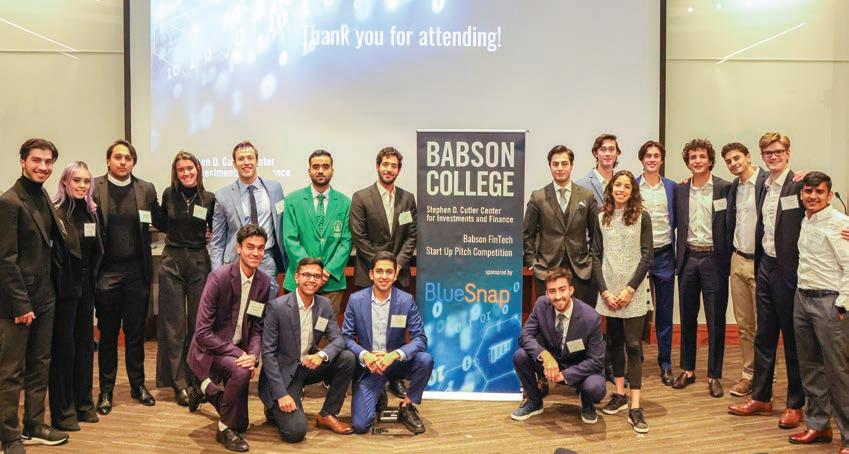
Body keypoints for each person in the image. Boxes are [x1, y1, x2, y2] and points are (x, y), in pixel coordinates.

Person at [729, 132, 806, 428]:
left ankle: (795, 404)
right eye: (768, 153)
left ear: (788, 153)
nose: (773, 157)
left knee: (792, 340)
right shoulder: (764, 184)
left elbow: (821, 205)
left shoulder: (799, 184)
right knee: (764, 336)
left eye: (778, 152)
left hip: (788, 271)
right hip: (765, 267)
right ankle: (761, 397)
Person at [0, 138, 70, 453]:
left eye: (48, 162)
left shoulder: (42, 196)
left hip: (45, 297)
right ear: (23, 162)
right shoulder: (9, 202)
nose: (43, 167)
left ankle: (34, 423)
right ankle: (9, 436)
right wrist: (21, 304)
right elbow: (6, 259)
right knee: (11, 372)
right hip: (18, 304)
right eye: (36, 160)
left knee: (40, 364)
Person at [92, 139, 164, 414]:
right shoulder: (94, 188)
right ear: (108, 160)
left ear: (133, 162)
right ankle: (106, 391)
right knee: (108, 335)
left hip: (137, 273)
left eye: (128, 158)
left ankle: (138, 385)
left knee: (135, 334)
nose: (123, 162)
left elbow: (160, 221)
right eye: (118, 157)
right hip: (106, 273)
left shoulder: (146, 189)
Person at [187, 224, 271, 452]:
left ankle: (205, 389)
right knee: (241, 374)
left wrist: (253, 356)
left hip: (238, 351)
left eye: (260, 248)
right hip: (208, 349)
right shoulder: (219, 277)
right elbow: (202, 332)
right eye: (250, 247)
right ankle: (223, 427)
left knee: (241, 424)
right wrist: (241, 354)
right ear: (238, 248)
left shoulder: (263, 282)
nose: (256, 253)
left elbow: (257, 328)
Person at [258, 257, 356, 443]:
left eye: (316, 276)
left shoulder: (324, 305)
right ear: (297, 277)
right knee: (295, 432)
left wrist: (322, 355)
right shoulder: (277, 307)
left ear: (321, 280)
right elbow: (268, 355)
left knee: (347, 358)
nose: (311, 280)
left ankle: (327, 414)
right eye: (306, 275)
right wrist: (281, 394)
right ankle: (273, 407)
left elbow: (338, 339)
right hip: (284, 374)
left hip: (308, 365)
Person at [349, 146, 417, 399]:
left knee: (396, 330)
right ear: (378, 166)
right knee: (368, 328)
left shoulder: (407, 199)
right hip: (371, 273)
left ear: (398, 170)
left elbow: (411, 236)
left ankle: (395, 377)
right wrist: (382, 266)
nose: (389, 169)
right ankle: (365, 373)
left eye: (394, 166)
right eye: (385, 164)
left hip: (399, 274)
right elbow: (359, 236)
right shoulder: (361, 197)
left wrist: (397, 265)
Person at [788, 172, 849, 452]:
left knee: (837, 372)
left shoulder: (841, 224)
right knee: (810, 367)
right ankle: (819, 425)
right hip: (803, 298)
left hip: (829, 302)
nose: (813, 197)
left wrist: (843, 304)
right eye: (808, 191)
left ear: (829, 195)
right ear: (802, 194)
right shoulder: (806, 219)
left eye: (819, 192)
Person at [343, 251, 432, 434]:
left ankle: (407, 406)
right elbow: (346, 337)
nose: (384, 276)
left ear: (395, 275)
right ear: (371, 274)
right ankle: (378, 393)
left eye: (389, 272)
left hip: (396, 363)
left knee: (425, 360)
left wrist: (394, 355)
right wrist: (365, 355)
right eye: (379, 271)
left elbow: (420, 339)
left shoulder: (406, 301)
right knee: (361, 425)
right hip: (370, 367)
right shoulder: (356, 300)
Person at [592, 170, 653, 433]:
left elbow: (647, 255)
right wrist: (605, 291)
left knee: (634, 345)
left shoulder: (642, 216)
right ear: (610, 188)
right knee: (614, 344)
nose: (621, 190)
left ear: (632, 191)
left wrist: (630, 289)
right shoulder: (601, 217)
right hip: (609, 294)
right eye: (618, 185)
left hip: (633, 292)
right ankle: (619, 394)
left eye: (627, 186)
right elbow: (596, 255)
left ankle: (635, 406)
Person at [671, 138, 731, 398]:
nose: (697, 161)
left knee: (716, 319)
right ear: (688, 162)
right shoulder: (680, 190)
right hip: (688, 258)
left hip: (713, 260)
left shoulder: (725, 188)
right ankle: (687, 370)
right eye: (693, 157)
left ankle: (714, 375)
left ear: (710, 160)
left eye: (701, 156)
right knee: (687, 317)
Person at [155, 151, 215, 407]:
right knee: (174, 325)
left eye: (190, 168)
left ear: (198, 169)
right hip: (172, 261)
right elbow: (162, 223)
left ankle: (196, 378)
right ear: (176, 172)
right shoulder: (168, 194)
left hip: (199, 261)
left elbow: (213, 228)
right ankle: (178, 382)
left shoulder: (209, 198)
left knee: (198, 324)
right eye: (181, 169)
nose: (186, 173)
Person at [510, 267, 606, 426]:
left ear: (571, 290)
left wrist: (565, 375)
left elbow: (596, 361)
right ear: (547, 294)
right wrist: (544, 355)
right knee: (520, 356)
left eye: (562, 290)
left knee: (595, 387)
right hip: (552, 364)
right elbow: (525, 335)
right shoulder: (541, 305)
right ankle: (535, 401)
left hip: (580, 368)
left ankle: (587, 403)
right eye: (552, 291)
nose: (558, 296)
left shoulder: (591, 317)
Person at [48, 161, 103, 432]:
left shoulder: (92, 213)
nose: (82, 185)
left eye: (86, 181)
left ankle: (83, 404)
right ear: (65, 183)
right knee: (64, 350)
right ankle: (63, 411)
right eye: (76, 180)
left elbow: (96, 252)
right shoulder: (56, 213)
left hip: (86, 290)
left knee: (84, 347)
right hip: (63, 292)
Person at [523, 145, 598, 305]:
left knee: (580, 317)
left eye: (564, 163)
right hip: (546, 270)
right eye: (555, 164)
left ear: (571, 165)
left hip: (581, 270)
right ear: (549, 166)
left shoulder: (586, 196)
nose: (560, 168)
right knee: (548, 317)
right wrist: (531, 263)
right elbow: (527, 234)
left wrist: (591, 262)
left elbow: (596, 234)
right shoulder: (538, 197)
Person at [211, 140, 286, 296]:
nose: (246, 162)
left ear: (257, 161)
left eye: (250, 158)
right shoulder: (222, 195)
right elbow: (217, 241)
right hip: (236, 260)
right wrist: (216, 274)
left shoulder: (275, 189)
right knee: (237, 307)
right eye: (241, 159)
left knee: (267, 305)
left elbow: (282, 224)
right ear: (234, 164)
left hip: (266, 259)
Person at [282, 150, 352, 315]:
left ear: (332, 171)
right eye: (316, 167)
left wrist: (327, 271)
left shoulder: (345, 202)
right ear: (309, 171)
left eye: (325, 167)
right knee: (295, 328)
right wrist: (310, 271)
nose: (320, 170)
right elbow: (290, 239)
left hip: (331, 281)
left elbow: (346, 241)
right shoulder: (292, 200)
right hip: (298, 280)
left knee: (326, 329)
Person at [721, 142, 766, 397]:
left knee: (764, 324)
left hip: (762, 263)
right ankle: (748, 374)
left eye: (737, 158)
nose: (733, 163)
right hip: (737, 259)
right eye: (728, 161)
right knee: (744, 324)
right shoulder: (733, 188)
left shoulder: (768, 183)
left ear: (748, 157)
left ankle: (765, 376)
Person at [635, 140, 677, 386]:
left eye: (656, 155)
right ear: (642, 159)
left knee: (664, 313)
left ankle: (665, 363)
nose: (652, 159)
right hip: (638, 257)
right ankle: (636, 360)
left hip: (664, 255)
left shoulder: (672, 187)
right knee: (637, 312)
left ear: (662, 160)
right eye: (648, 155)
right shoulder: (632, 186)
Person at [576, 133, 622, 204]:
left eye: (611, 149)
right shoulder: (581, 186)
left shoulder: (625, 184)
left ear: (617, 153)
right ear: (595, 153)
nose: (607, 154)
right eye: (603, 149)